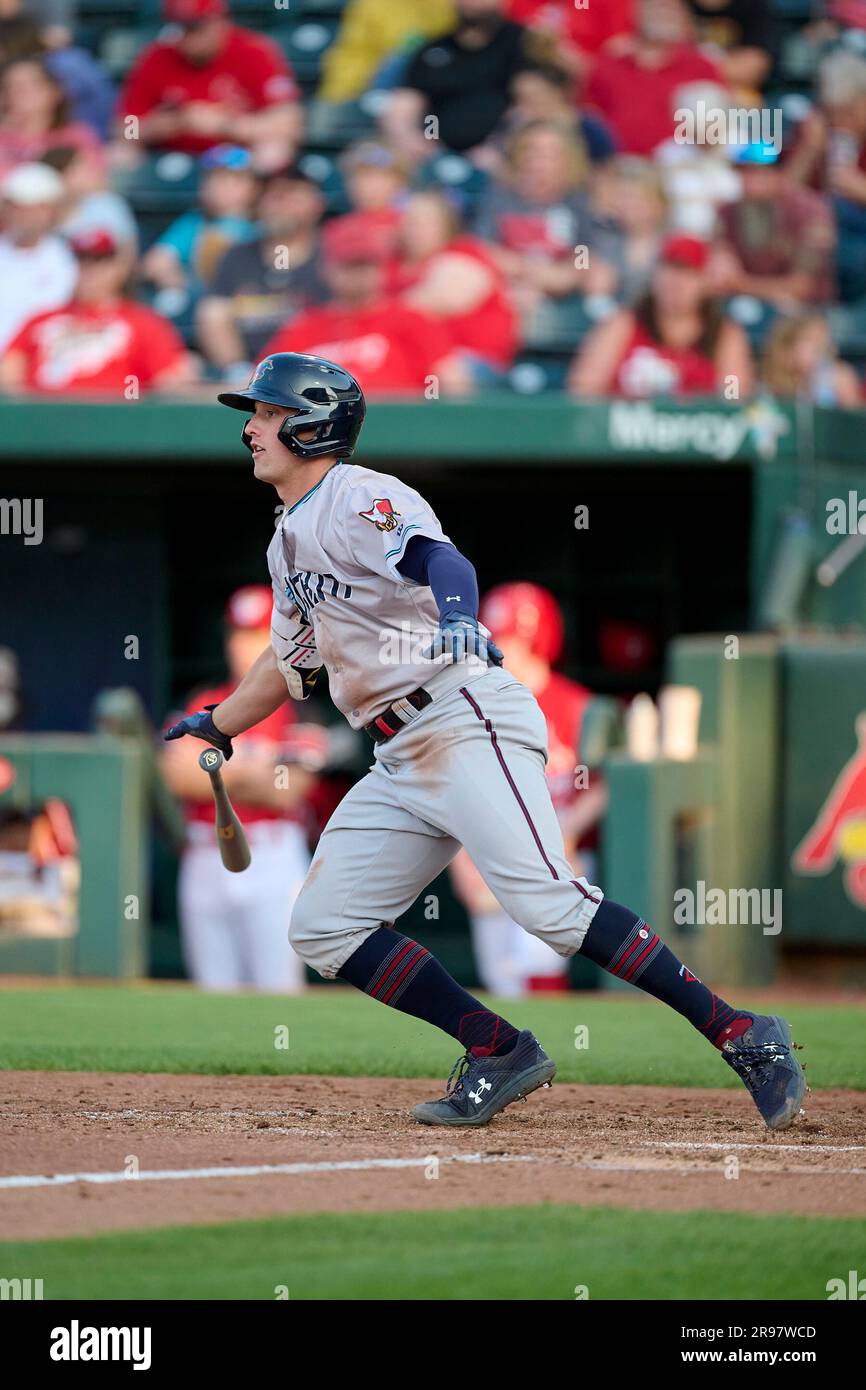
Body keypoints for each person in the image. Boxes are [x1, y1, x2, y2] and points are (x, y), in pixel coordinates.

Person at [164, 349, 807, 1132]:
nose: (253, 429)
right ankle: (497, 1047)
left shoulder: (360, 495)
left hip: (461, 715)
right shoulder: (286, 541)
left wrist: (461, 614)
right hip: (399, 750)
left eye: (267, 414)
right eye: (255, 416)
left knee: (550, 907)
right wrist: (219, 724)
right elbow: (290, 663)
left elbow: (440, 559)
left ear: (311, 425)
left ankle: (744, 1033)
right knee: (323, 925)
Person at [161, 584, 328, 992]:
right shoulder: (202, 699)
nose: (241, 646)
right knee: (213, 990)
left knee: (277, 988)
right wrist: (257, 768)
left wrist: (214, 770)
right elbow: (174, 776)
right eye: (236, 634)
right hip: (205, 852)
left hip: (272, 854)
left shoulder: (302, 703)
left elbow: (287, 790)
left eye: (256, 634)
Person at [451, 582, 607, 995]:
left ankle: (551, 1051)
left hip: (561, 848)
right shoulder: (473, 706)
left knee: (539, 962)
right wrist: (463, 863)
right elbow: (455, 791)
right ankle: (516, 1058)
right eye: (494, 642)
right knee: (502, 980)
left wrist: (569, 830)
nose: (500, 652)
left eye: (510, 643)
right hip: (494, 847)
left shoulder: (576, 704)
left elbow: (606, 786)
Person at [262, 212, 456, 396]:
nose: (360, 274)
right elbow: (260, 384)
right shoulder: (305, 327)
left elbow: (454, 385)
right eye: (350, 264)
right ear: (327, 268)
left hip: (397, 425)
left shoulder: (411, 320)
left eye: (367, 263)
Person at [0, 227, 197, 394]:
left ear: (118, 269)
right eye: (82, 261)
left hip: (113, 424)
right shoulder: (41, 319)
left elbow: (169, 382)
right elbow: (8, 373)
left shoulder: (144, 323)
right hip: (42, 422)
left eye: (99, 262)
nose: (89, 271)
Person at [116, 0, 302, 171]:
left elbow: (287, 125)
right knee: (119, 153)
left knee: (274, 151)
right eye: (180, 27)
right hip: (169, 155)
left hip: (235, 158)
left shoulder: (254, 51)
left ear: (219, 21)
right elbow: (125, 127)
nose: (186, 37)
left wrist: (224, 125)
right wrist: (155, 127)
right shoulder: (156, 57)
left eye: (195, 27)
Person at [568, 232, 753, 398]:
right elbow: (584, 389)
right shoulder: (623, 325)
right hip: (629, 428)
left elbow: (735, 395)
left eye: (688, 274)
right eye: (668, 271)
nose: (675, 282)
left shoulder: (724, 333)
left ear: (704, 281)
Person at [472, 120, 618, 314]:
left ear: (568, 160)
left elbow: (586, 253)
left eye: (551, 154)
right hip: (507, 287)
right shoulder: (499, 197)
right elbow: (481, 248)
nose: (539, 162)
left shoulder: (578, 202)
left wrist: (567, 275)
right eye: (532, 151)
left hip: (564, 293)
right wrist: (525, 269)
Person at [197, 165, 326, 378]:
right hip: (251, 377)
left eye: (290, 196)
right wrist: (236, 369)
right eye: (272, 196)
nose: (279, 204)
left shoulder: (330, 257)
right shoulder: (237, 256)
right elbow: (214, 315)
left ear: (316, 205)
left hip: (316, 371)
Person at [387, 189, 520, 388]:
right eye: (409, 221)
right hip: (415, 357)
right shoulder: (394, 265)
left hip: (470, 360)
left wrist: (379, 312)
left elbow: (440, 299)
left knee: (444, 373)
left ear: (445, 226)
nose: (415, 229)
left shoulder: (464, 252)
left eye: (425, 222)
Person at [381, 0, 532, 162]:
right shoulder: (434, 50)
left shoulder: (522, 44)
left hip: (497, 152)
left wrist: (500, 145)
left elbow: (532, 104)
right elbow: (410, 100)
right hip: (437, 151)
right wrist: (416, 139)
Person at [584, 0, 725, 157]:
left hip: (682, 166)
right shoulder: (608, 64)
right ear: (635, 12)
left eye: (671, 7)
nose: (663, 12)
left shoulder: (701, 67)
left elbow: (714, 133)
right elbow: (590, 119)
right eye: (656, 5)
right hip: (620, 165)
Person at [712, 141, 836, 308]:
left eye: (758, 171)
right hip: (746, 304)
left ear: (778, 173)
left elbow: (802, 287)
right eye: (744, 171)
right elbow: (721, 272)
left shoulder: (811, 212)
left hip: (807, 312)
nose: (749, 179)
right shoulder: (727, 211)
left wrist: (741, 285)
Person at [142, 144, 259, 295]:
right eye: (212, 178)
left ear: (253, 186)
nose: (219, 186)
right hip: (199, 303)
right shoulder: (194, 223)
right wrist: (183, 285)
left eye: (231, 179)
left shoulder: (263, 225)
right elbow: (154, 264)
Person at [316, 0, 455, 107]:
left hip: (437, 87)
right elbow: (352, 54)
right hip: (376, 89)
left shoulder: (452, 6)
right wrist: (342, 95)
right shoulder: (371, 5)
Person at [0, 161, 76, 352]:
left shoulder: (70, 258)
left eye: (36, 208)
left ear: (52, 211)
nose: (25, 216)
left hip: (35, 362)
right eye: (18, 207)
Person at [0, 53, 103, 179]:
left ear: (54, 91)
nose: (18, 93)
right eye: (9, 86)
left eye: (30, 85)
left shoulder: (76, 137)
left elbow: (93, 184)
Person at [761, 313, 862, 409]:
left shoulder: (838, 378)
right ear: (788, 348)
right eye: (811, 340)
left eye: (824, 340)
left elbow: (855, 420)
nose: (821, 347)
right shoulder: (767, 385)